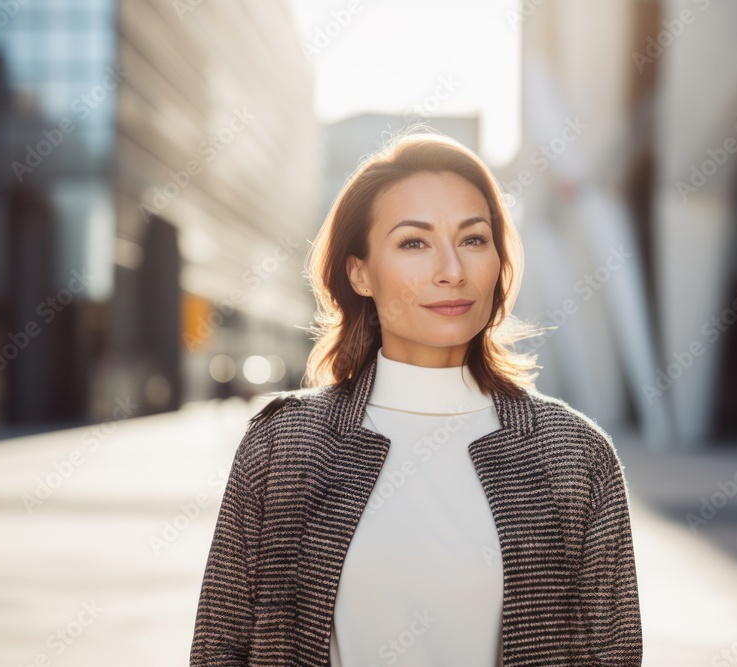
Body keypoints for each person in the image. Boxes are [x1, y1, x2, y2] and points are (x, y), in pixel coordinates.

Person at [189, 129, 642, 666]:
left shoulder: (575, 455)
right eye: (414, 243)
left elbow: (615, 655)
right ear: (359, 273)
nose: (452, 271)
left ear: (499, 262)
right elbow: (221, 648)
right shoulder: (283, 446)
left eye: (473, 239)